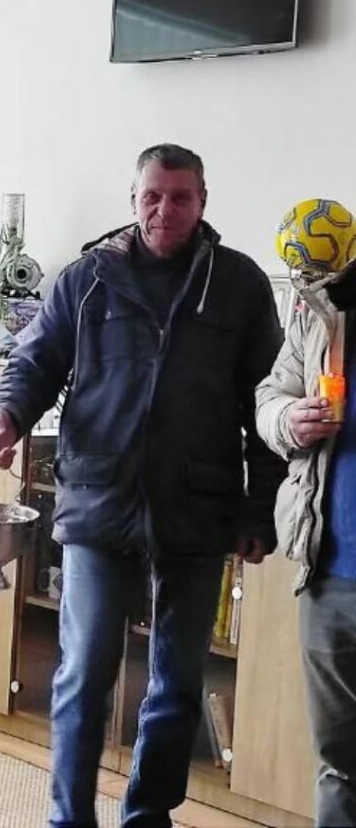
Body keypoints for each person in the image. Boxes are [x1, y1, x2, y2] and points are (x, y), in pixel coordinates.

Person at [0, 144, 285, 828]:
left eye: (180, 197)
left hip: (197, 508)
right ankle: (69, 819)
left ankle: (147, 815)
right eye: (152, 195)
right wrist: (7, 413)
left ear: (202, 202)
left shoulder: (238, 284)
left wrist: (258, 510)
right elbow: (35, 361)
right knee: (84, 674)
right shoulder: (87, 278)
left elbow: (264, 402)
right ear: (133, 200)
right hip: (98, 500)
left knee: (176, 684)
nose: (164, 209)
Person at [255, 220, 356, 826]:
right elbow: (270, 396)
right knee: (338, 762)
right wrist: (289, 420)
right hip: (330, 573)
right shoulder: (323, 311)